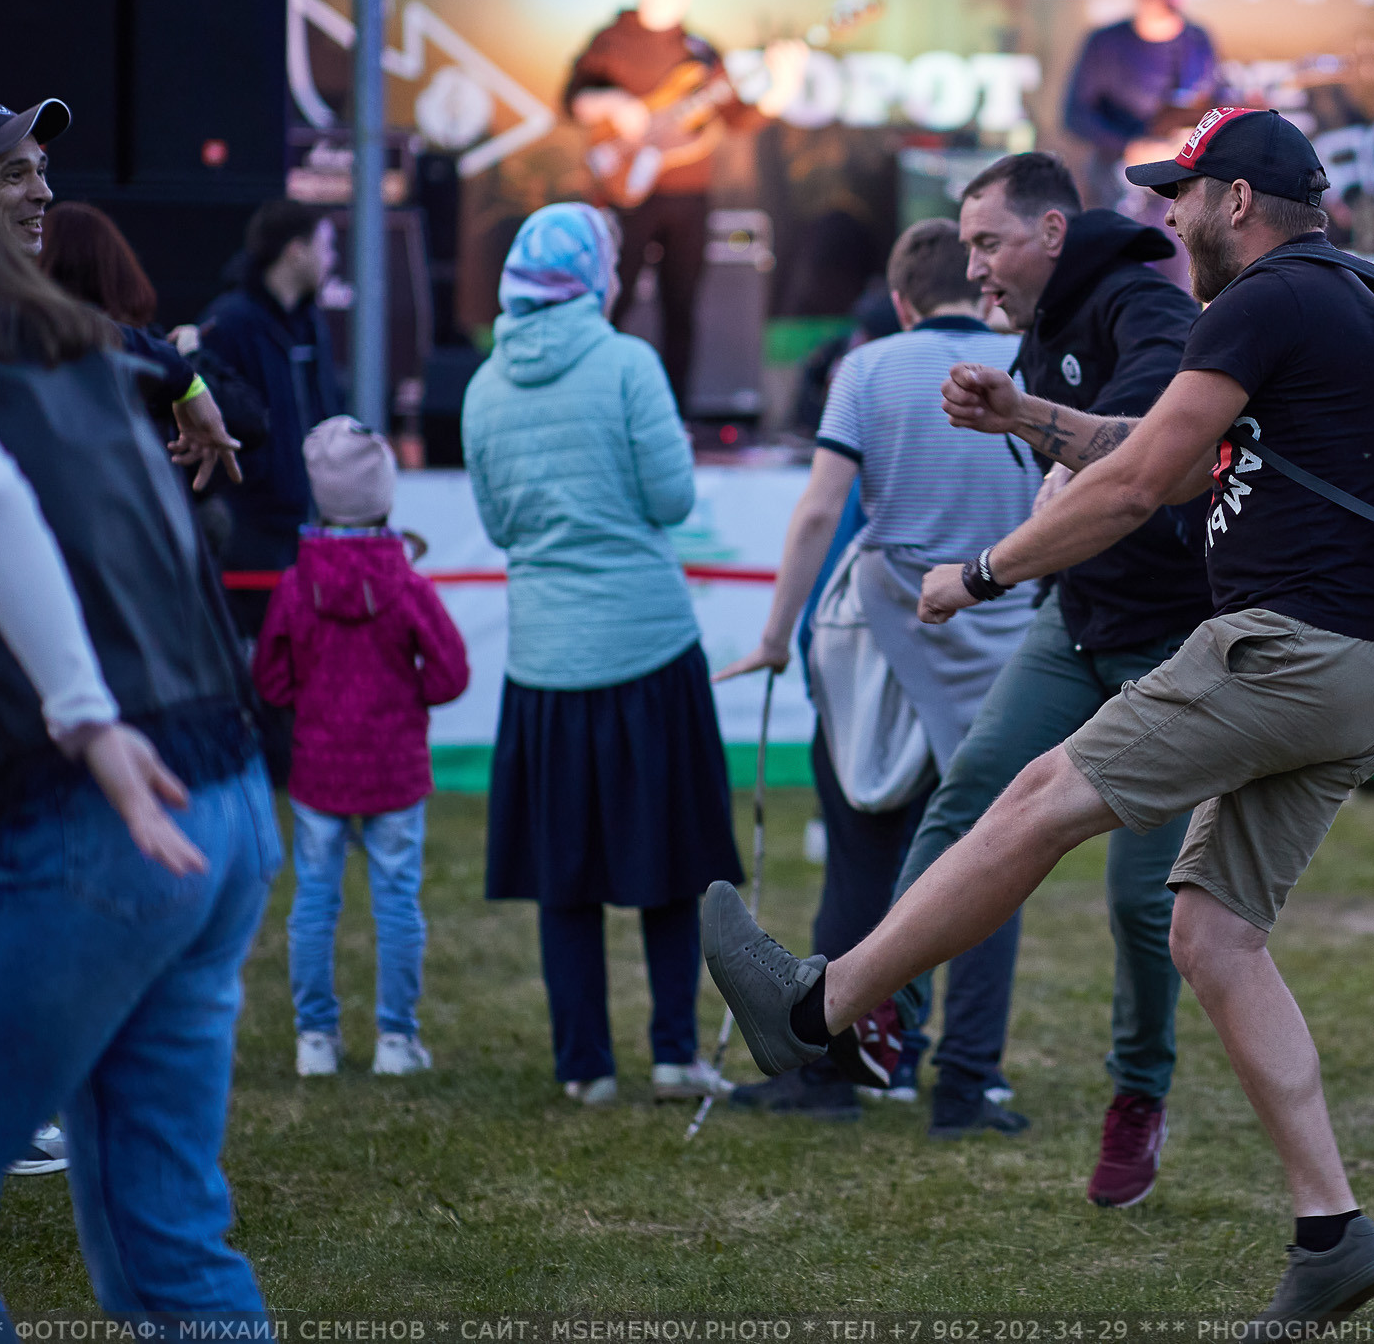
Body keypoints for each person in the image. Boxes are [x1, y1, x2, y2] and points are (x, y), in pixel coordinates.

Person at [700, 109, 1374, 1323]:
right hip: (1373, 666)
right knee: (1212, 934)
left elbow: (1136, 487)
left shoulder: (1251, 299)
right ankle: (1331, 1228)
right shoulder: (1357, 293)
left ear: (1236, 201)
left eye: (1181, 193)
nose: (1165, 216)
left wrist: (978, 571)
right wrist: (1032, 417)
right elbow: (1177, 455)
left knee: (1033, 796)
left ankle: (814, 1008)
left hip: (1283, 645)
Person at [0, 98, 278, 1311]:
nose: (39, 191)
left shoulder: (24, 344)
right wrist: (187, 376)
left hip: (107, 813)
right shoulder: (83, 345)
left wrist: (85, 717)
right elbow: (163, 362)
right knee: (170, 1239)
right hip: (224, 803)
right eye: (9, 173)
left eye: (42, 170)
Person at [879, 151, 1213, 1197]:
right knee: (970, 788)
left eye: (988, 241)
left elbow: (1151, 462)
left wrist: (1023, 426)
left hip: (1167, 644)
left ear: (1053, 231)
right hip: (1076, 622)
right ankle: (879, 1005)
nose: (973, 265)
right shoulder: (1044, 324)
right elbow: (1074, 479)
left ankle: (1137, 1094)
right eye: (967, 245)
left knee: (1137, 897)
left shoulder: (1141, 310)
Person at [712, 218, 1042, 1130]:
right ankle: (969, 1083)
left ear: (901, 299)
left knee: (861, 858)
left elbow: (821, 507)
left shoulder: (868, 366)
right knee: (994, 863)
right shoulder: (1034, 360)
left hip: (884, 643)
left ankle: (837, 1070)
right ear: (980, 285)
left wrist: (777, 632)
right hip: (1006, 634)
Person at [462, 202, 742, 1107]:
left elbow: (500, 524)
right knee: (670, 860)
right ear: (592, 274)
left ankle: (583, 1066)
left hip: (543, 659)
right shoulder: (628, 363)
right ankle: (673, 1052)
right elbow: (668, 497)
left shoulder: (482, 386)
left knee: (564, 875)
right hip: (647, 644)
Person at [253, 417, 470, 1080]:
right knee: (396, 901)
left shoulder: (294, 586)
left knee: (313, 902)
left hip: (319, 767)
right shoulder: (407, 584)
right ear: (384, 496)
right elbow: (450, 672)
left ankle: (315, 1037)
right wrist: (407, 698)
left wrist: (312, 705)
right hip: (395, 768)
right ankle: (396, 1040)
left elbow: (270, 678)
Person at [565, 0, 799, 404]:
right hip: (625, 194)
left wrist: (784, 85)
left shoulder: (700, 50)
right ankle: (592, 405)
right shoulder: (609, 41)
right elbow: (573, 100)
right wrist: (616, 103)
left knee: (682, 308)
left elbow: (737, 117)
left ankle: (672, 416)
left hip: (689, 194)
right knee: (612, 300)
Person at [38, 199, 249, 494]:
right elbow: (248, 422)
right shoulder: (152, 357)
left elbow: (246, 422)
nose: (41, 191)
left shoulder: (22, 342)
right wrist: (190, 363)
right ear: (116, 267)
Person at [199, 200, 343, 631]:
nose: (332, 259)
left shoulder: (310, 323)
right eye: (326, 245)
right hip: (251, 529)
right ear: (295, 250)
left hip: (305, 524)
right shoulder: (229, 324)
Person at [1063, 0, 1224, 211]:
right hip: (1119, 184)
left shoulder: (1197, 40)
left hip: (1181, 182)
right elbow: (1075, 115)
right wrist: (1129, 146)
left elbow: (1214, 102)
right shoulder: (1105, 44)